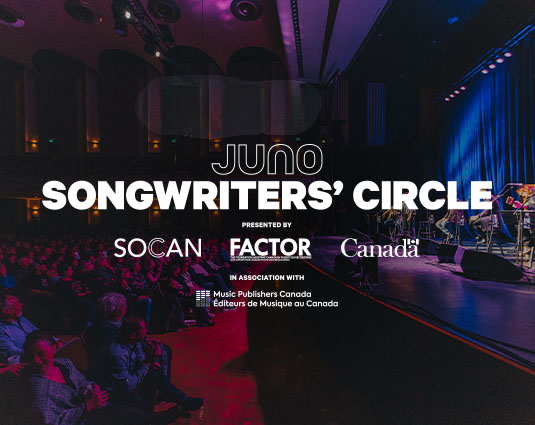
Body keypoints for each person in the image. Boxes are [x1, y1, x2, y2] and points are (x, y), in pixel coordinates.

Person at [19, 330, 179, 425]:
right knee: (114, 411)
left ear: (54, 348)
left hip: (89, 405)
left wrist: (92, 390)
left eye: (41, 354)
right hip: (81, 418)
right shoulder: (37, 387)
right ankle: (154, 420)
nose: (36, 361)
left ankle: (149, 418)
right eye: (31, 357)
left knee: (129, 398)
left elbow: (83, 382)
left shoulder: (63, 363)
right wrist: (86, 407)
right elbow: (50, 422)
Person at [88, 317, 204, 416]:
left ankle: (181, 401)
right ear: (133, 335)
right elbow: (127, 386)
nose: (147, 331)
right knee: (143, 391)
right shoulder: (118, 353)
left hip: (124, 380)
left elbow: (140, 362)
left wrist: (152, 360)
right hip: (108, 390)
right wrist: (148, 363)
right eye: (143, 329)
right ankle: (165, 411)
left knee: (155, 373)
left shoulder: (135, 342)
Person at [0, 294, 38, 363]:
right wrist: (38, 351)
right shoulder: (2, 329)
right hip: (27, 360)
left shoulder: (23, 319)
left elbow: (38, 332)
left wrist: (54, 341)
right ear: (6, 311)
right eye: (17, 304)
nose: (21, 305)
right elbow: (12, 351)